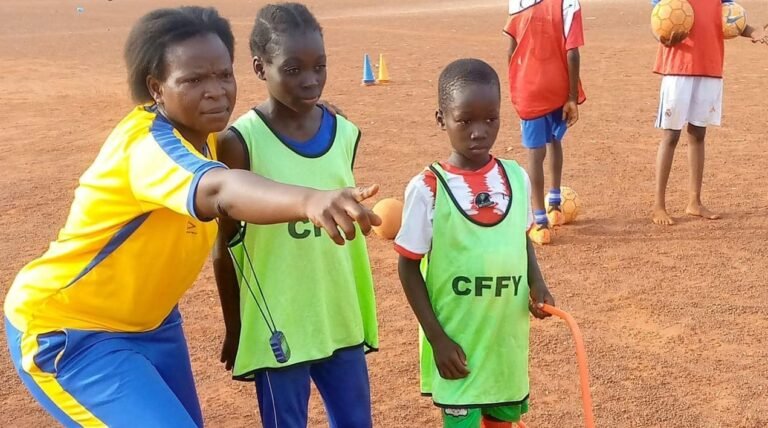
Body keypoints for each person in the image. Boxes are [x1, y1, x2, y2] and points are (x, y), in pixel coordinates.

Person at [3, 6, 379, 427]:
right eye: (193, 80)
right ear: (156, 88)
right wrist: (311, 201)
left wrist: (312, 111)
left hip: (156, 324)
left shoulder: (213, 140)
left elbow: (266, 135)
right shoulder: (145, 148)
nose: (216, 91)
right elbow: (220, 189)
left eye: (223, 75)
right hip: (71, 330)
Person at [213, 3, 377, 427]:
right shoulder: (237, 144)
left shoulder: (345, 132)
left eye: (319, 66)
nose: (311, 80)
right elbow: (224, 248)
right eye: (293, 69)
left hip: (339, 316)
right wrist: (236, 327)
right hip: (278, 326)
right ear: (258, 67)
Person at [395, 58, 555, 428]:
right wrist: (437, 339)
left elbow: (520, 238)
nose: (479, 132)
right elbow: (407, 266)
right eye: (465, 121)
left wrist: (537, 282)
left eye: (491, 119)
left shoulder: (516, 178)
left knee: (501, 422)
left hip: (505, 345)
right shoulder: (427, 188)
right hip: (458, 346)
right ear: (441, 119)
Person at [651, 0, 767, 225]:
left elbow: (730, 18)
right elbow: (658, 18)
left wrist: (754, 31)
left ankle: (694, 201)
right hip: (678, 69)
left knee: (698, 133)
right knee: (671, 135)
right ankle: (659, 205)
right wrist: (661, 37)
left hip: (709, 67)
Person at [503, 0, 586, 244]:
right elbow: (573, 52)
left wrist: (517, 84)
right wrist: (571, 97)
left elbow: (511, 48)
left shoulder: (518, 2)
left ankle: (539, 221)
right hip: (558, 86)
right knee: (554, 142)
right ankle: (555, 205)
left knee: (535, 153)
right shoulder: (569, 3)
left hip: (529, 87)